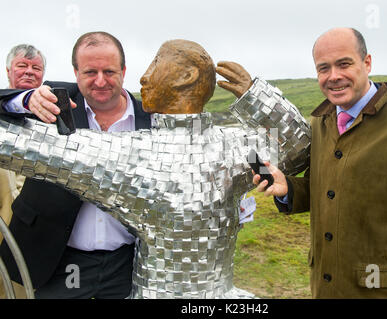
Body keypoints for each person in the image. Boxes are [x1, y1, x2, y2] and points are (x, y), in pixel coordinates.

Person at [0, 39, 311, 298]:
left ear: (187, 76)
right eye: (89, 71)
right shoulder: (235, 147)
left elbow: (295, 151)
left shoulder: (133, 152)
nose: (143, 78)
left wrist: (256, 94)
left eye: (154, 64)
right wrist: (23, 100)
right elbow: (294, 146)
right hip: (67, 266)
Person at [251, 27, 387, 298]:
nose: (334, 76)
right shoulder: (321, 123)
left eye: (344, 64)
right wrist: (289, 189)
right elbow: (329, 189)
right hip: (327, 288)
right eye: (323, 68)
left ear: (367, 63)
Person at [0, 32, 152, 299]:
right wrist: (25, 100)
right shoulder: (53, 100)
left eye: (109, 71)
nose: (101, 81)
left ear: (124, 70)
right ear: (75, 71)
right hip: (55, 259)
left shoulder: (150, 119)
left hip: (125, 263)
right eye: (90, 72)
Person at [0, 44, 46, 299]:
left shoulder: (50, 111)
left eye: (36, 68)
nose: (29, 72)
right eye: (22, 66)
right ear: (8, 70)